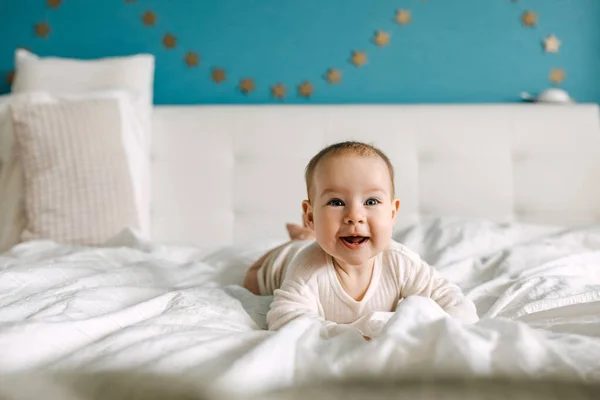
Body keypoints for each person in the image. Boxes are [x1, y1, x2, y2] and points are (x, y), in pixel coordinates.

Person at [243, 141, 479, 338]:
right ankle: (302, 238)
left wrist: (449, 330)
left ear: (393, 212)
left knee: (310, 240)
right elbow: (286, 319)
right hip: (279, 262)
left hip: (317, 238)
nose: (354, 216)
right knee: (252, 278)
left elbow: (453, 301)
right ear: (311, 215)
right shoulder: (307, 269)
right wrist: (352, 335)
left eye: (371, 202)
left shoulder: (400, 262)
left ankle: (307, 235)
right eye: (336, 202)